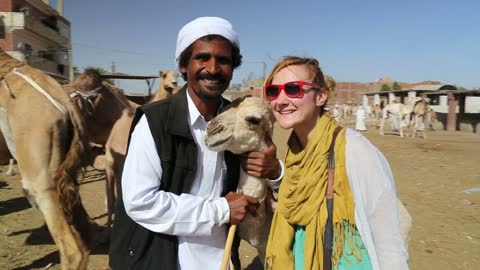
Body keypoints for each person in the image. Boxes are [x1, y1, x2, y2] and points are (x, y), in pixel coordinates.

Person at [109, 17, 281, 270]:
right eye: (202, 58)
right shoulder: (155, 121)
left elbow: (266, 173)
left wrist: (274, 170)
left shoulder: (238, 120)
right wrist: (221, 211)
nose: (212, 68)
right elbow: (139, 200)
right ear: (183, 66)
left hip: (219, 259)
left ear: (233, 67)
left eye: (223, 60)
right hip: (159, 257)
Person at [263, 56, 408, 270]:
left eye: (293, 89)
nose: (280, 100)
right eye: (273, 91)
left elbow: (389, 239)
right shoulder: (295, 154)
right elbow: (301, 198)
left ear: (321, 96)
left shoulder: (354, 149)